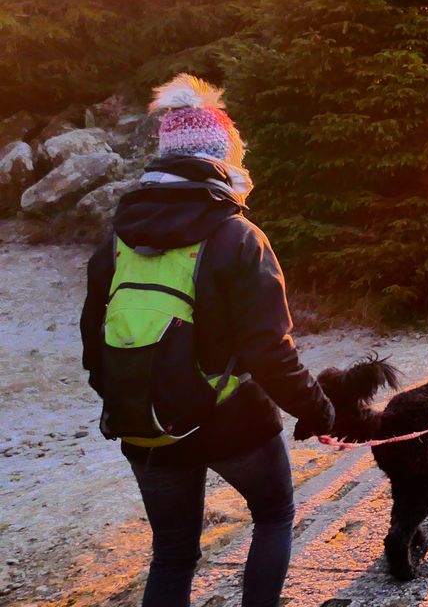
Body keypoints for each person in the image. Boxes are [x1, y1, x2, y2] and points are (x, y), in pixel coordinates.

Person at [81, 74, 335, 607]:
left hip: (145, 421)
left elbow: (94, 343)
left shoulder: (118, 238)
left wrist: (130, 398)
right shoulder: (239, 236)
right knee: (273, 516)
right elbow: (271, 351)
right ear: (226, 159)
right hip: (231, 418)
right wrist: (318, 411)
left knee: (172, 553)